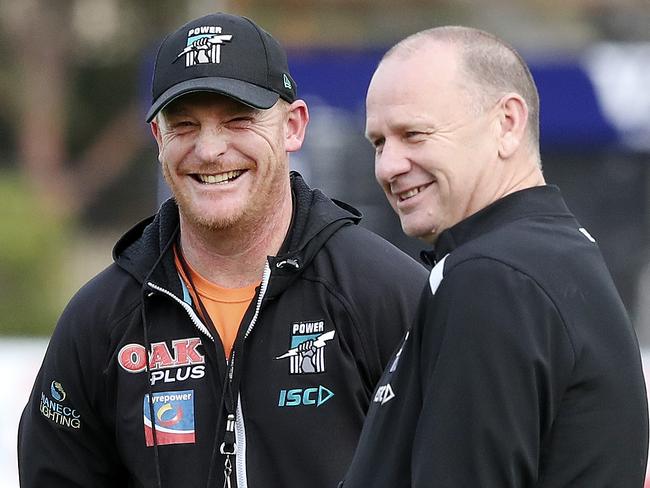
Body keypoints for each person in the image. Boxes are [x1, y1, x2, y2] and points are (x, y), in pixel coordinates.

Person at [17, 12, 428, 488]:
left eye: (239, 119)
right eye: (185, 124)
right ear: (158, 139)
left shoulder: (387, 295)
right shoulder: (99, 321)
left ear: (293, 127)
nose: (210, 150)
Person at [341, 26, 649, 488]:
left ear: (507, 123)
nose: (388, 166)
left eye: (414, 134)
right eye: (379, 143)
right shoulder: (545, 254)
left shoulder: (492, 276)